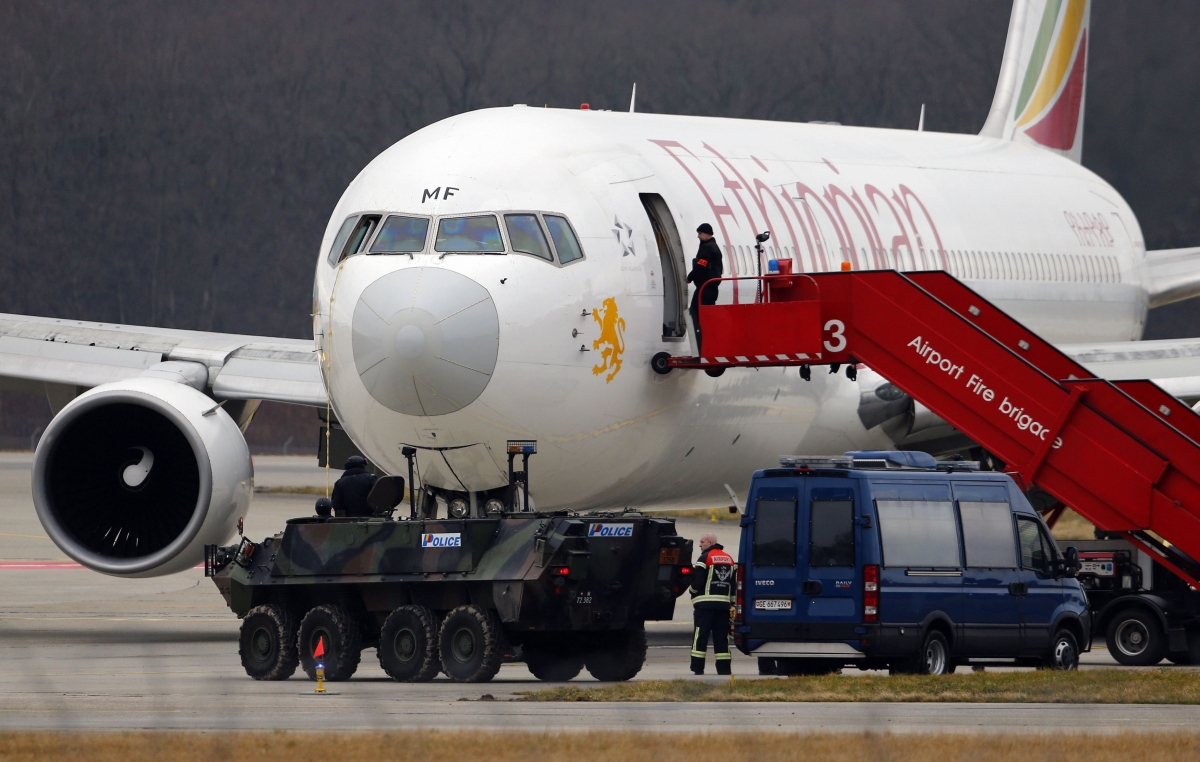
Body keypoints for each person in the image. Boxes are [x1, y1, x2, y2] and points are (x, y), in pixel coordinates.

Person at [690, 532, 735, 675]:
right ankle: (724, 669)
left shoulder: (704, 558)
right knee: (722, 637)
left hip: (705, 605)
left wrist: (692, 591)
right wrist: (732, 604)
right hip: (723, 606)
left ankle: (697, 668)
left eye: (702, 542)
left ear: (710, 543)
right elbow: (732, 585)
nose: (699, 545)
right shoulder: (729, 559)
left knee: (700, 636)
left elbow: (697, 582)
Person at [687, 223, 723, 354]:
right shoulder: (714, 247)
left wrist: (690, 276)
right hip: (711, 286)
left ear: (707, 234)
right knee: (707, 314)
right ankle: (710, 344)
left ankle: (701, 347)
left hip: (705, 287)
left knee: (695, 313)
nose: (698, 236)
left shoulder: (707, 248)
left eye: (700, 234)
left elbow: (701, 265)